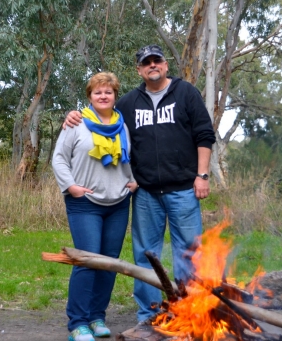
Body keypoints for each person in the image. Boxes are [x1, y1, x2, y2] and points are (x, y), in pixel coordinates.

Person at [64, 45, 216, 322]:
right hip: (145, 193)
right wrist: (74, 115)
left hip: (184, 189)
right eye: (146, 63)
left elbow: (204, 135)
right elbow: (102, 117)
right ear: (139, 69)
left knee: (189, 254)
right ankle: (150, 315)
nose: (152, 65)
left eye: (157, 60)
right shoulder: (129, 103)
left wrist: (202, 175)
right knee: (146, 256)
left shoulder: (186, 94)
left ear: (166, 65)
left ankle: (189, 313)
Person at [52, 72, 138, 341]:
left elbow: (131, 158)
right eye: (97, 92)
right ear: (89, 96)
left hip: (118, 203)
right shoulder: (76, 124)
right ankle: (77, 323)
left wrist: (133, 180)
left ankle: (97, 317)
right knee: (87, 262)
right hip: (84, 203)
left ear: (115, 96)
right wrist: (71, 186)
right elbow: (59, 159)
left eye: (108, 92)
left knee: (107, 263)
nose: (103, 96)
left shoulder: (122, 126)